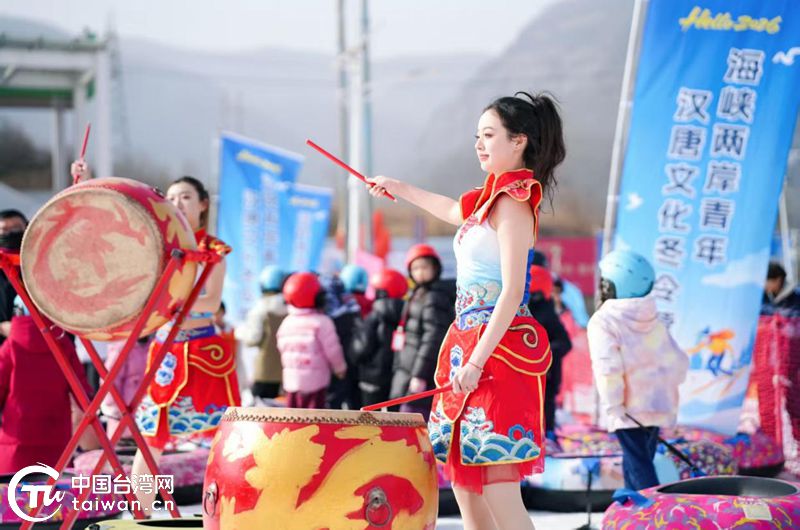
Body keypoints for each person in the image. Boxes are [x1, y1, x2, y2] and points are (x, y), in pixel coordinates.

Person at [368, 91, 564, 529]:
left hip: (497, 353)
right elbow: (449, 208)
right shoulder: (486, 201)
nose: (479, 144)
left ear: (519, 141)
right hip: (466, 346)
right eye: (477, 135)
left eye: (489, 135)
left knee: (496, 483)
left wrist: (476, 361)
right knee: (465, 483)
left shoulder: (514, 203)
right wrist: (396, 187)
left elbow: (512, 292)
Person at [129, 175, 240, 512]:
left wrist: (169, 305)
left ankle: (223, 513)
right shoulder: (156, 246)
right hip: (166, 354)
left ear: (203, 204)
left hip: (205, 354)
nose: (177, 203)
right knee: (150, 439)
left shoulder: (213, 250)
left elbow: (211, 303)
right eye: (172, 197)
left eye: (186, 197)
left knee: (223, 440)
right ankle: (140, 513)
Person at [587, 249, 688, 491]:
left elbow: (607, 367)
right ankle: (633, 505)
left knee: (639, 464)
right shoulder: (651, 318)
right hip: (658, 403)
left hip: (627, 407)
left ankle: (652, 509)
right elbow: (678, 362)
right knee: (639, 459)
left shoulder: (604, 321)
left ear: (611, 286)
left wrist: (613, 404)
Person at [0, 296, 97, 472]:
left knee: (13, 488)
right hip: (56, 439)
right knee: (54, 487)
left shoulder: (10, 346)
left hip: (16, 439)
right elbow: (82, 392)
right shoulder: (63, 345)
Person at [389, 244, 454, 419]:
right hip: (408, 369)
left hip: (420, 374)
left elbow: (433, 337)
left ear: (435, 268)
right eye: (416, 268)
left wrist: (420, 375)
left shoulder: (433, 297)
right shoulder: (417, 294)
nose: (421, 272)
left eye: (425, 267)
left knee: (412, 423)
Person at [276, 272, 346, 409]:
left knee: (293, 418)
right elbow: (333, 350)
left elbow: (281, 347)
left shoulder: (287, 322)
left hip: (292, 381)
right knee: (314, 419)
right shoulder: (322, 322)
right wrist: (340, 368)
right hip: (317, 383)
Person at [527, 264, 571, 438]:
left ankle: (548, 436)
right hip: (523, 374)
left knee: (545, 409)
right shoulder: (517, 308)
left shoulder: (546, 310)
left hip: (546, 375)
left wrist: (543, 354)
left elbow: (564, 343)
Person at [352, 268, 407, 407]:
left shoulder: (374, 316)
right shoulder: (407, 315)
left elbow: (361, 349)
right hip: (397, 380)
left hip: (372, 380)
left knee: (369, 419)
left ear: (381, 292)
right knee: (395, 419)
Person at [236, 265, 288, 400]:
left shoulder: (259, 309)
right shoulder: (290, 308)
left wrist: (240, 332)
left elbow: (252, 339)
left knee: (260, 408)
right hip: (286, 371)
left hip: (265, 371)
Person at [0, 209, 28, 346]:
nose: (11, 233)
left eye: (16, 228)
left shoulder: (41, 265)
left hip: (42, 345)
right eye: (4, 230)